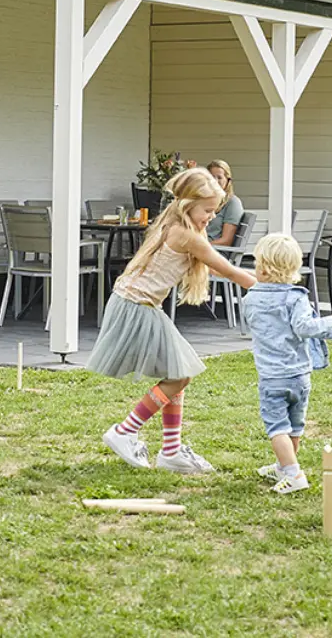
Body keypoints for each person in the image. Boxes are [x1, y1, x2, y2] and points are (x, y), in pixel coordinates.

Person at [88, 168, 257, 474]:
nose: (211, 217)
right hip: (137, 306)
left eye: (214, 211)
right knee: (179, 375)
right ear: (188, 204)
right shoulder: (186, 235)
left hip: (135, 302)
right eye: (207, 210)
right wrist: (270, 286)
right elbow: (228, 270)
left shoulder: (171, 223)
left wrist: (258, 278)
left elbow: (216, 268)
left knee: (178, 371)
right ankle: (125, 431)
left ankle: (171, 451)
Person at [240, 233, 332, 495]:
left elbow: (259, 320)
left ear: (264, 268)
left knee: (277, 428)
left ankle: (294, 474)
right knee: (294, 426)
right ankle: (283, 466)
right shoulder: (297, 297)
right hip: (300, 375)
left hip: (273, 377)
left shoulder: (251, 298)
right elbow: (306, 327)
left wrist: (330, 322)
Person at [203, 160, 245, 247]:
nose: (215, 181)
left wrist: (199, 247)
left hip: (216, 250)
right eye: (211, 177)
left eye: (219, 177)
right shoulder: (204, 201)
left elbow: (226, 241)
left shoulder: (232, 203)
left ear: (228, 181)